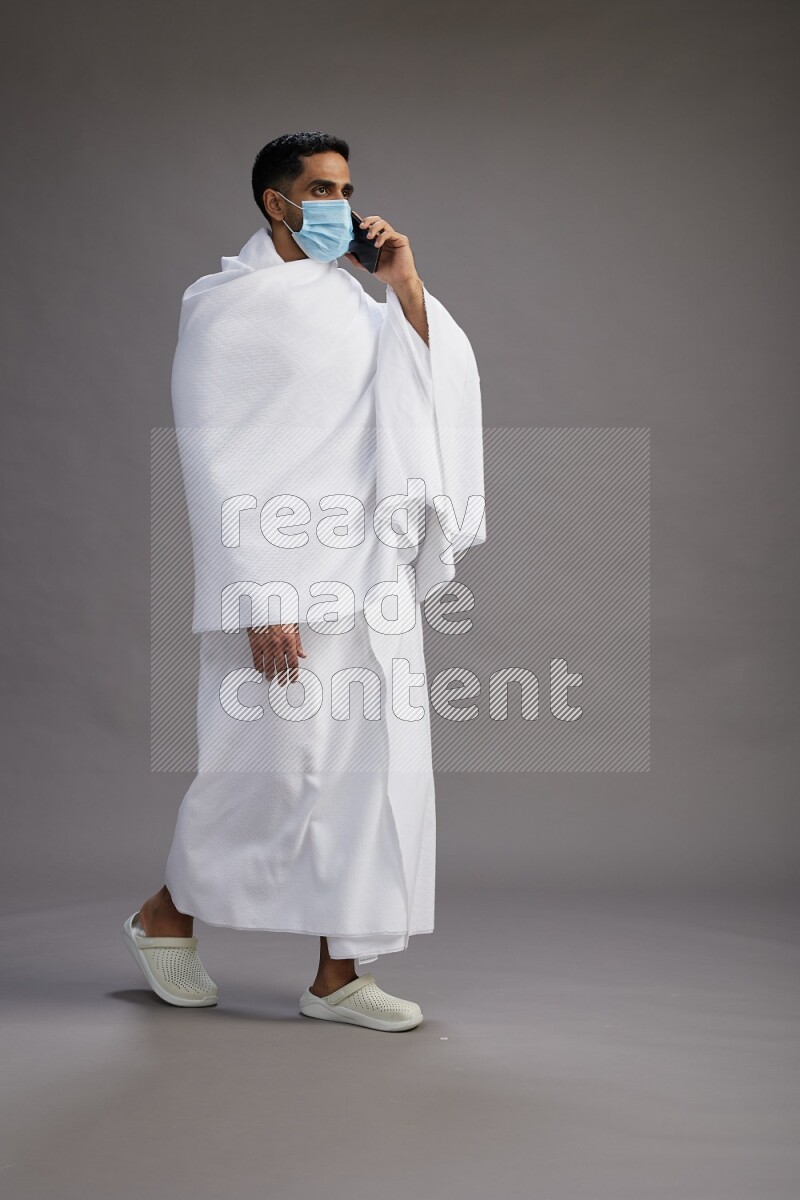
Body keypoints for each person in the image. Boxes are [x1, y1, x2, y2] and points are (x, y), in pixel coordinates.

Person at [124, 131, 485, 1032]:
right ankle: (164, 914)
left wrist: (401, 281)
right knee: (275, 771)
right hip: (284, 574)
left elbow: (433, 381)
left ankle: (338, 977)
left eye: (347, 188)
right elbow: (217, 460)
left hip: (368, 573)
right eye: (319, 188)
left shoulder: (356, 306)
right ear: (274, 202)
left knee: (369, 776)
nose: (339, 204)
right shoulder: (226, 308)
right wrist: (259, 593)